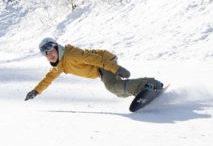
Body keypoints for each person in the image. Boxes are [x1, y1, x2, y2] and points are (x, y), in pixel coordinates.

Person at [24, 37, 162, 102]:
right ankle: (144, 89)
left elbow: (94, 59)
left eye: (51, 51)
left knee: (113, 86)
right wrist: (36, 91)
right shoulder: (60, 65)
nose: (50, 55)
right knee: (118, 92)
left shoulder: (71, 54)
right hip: (101, 68)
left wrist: (116, 68)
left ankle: (148, 85)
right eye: (46, 54)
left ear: (56, 47)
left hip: (103, 61)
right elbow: (49, 78)